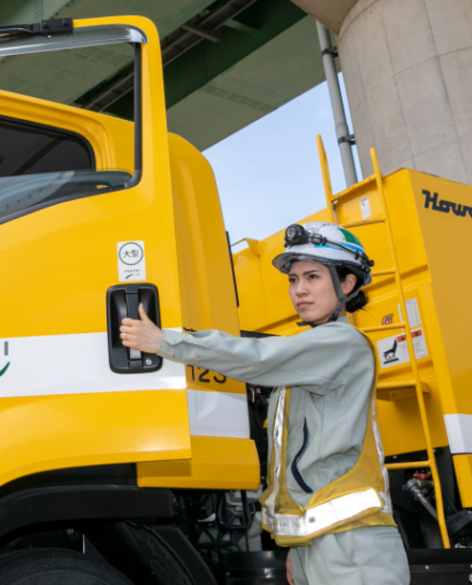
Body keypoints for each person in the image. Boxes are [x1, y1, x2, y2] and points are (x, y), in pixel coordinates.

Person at [119, 222, 409, 585]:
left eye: (313, 277)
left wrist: (166, 342)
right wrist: (297, 545)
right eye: (293, 279)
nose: (299, 290)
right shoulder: (313, 359)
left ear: (347, 284)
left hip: (352, 545)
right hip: (324, 542)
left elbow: (258, 357)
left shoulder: (342, 343)